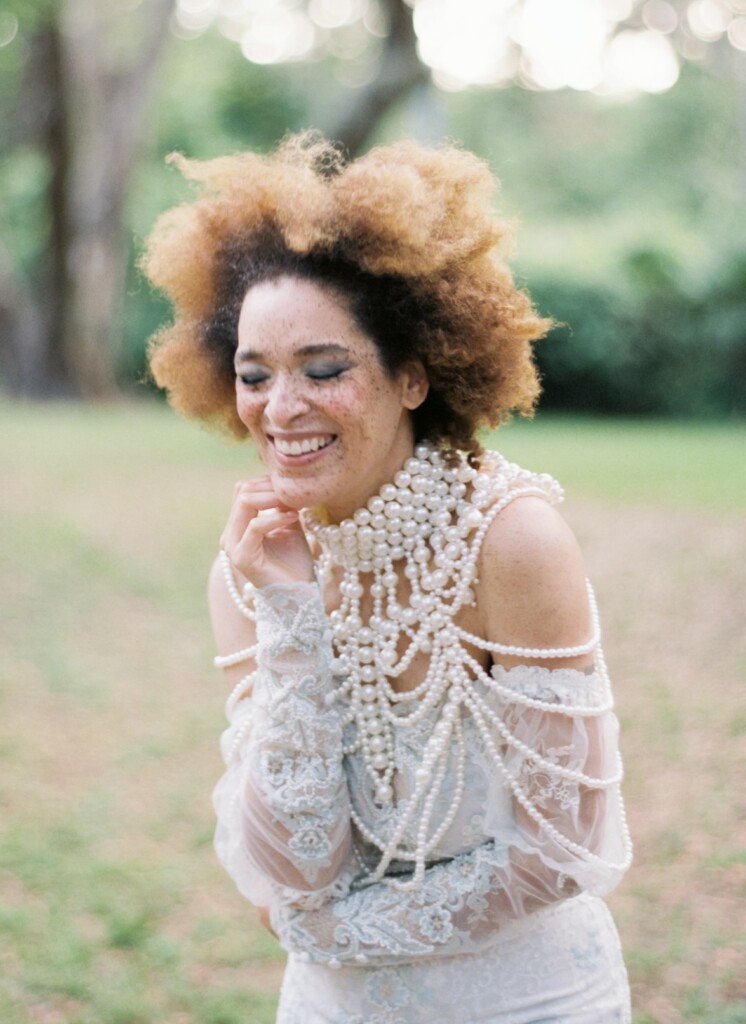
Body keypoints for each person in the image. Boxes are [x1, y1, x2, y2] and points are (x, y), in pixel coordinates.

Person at [142, 132, 633, 1023]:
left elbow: (562, 849)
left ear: (413, 374)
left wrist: (330, 934)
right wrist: (293, 614)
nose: (281, 409)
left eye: (323, 370)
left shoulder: (511, 540)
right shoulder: (249, 573)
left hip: (530, 1003)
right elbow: (296, 863)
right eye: (254, 376)